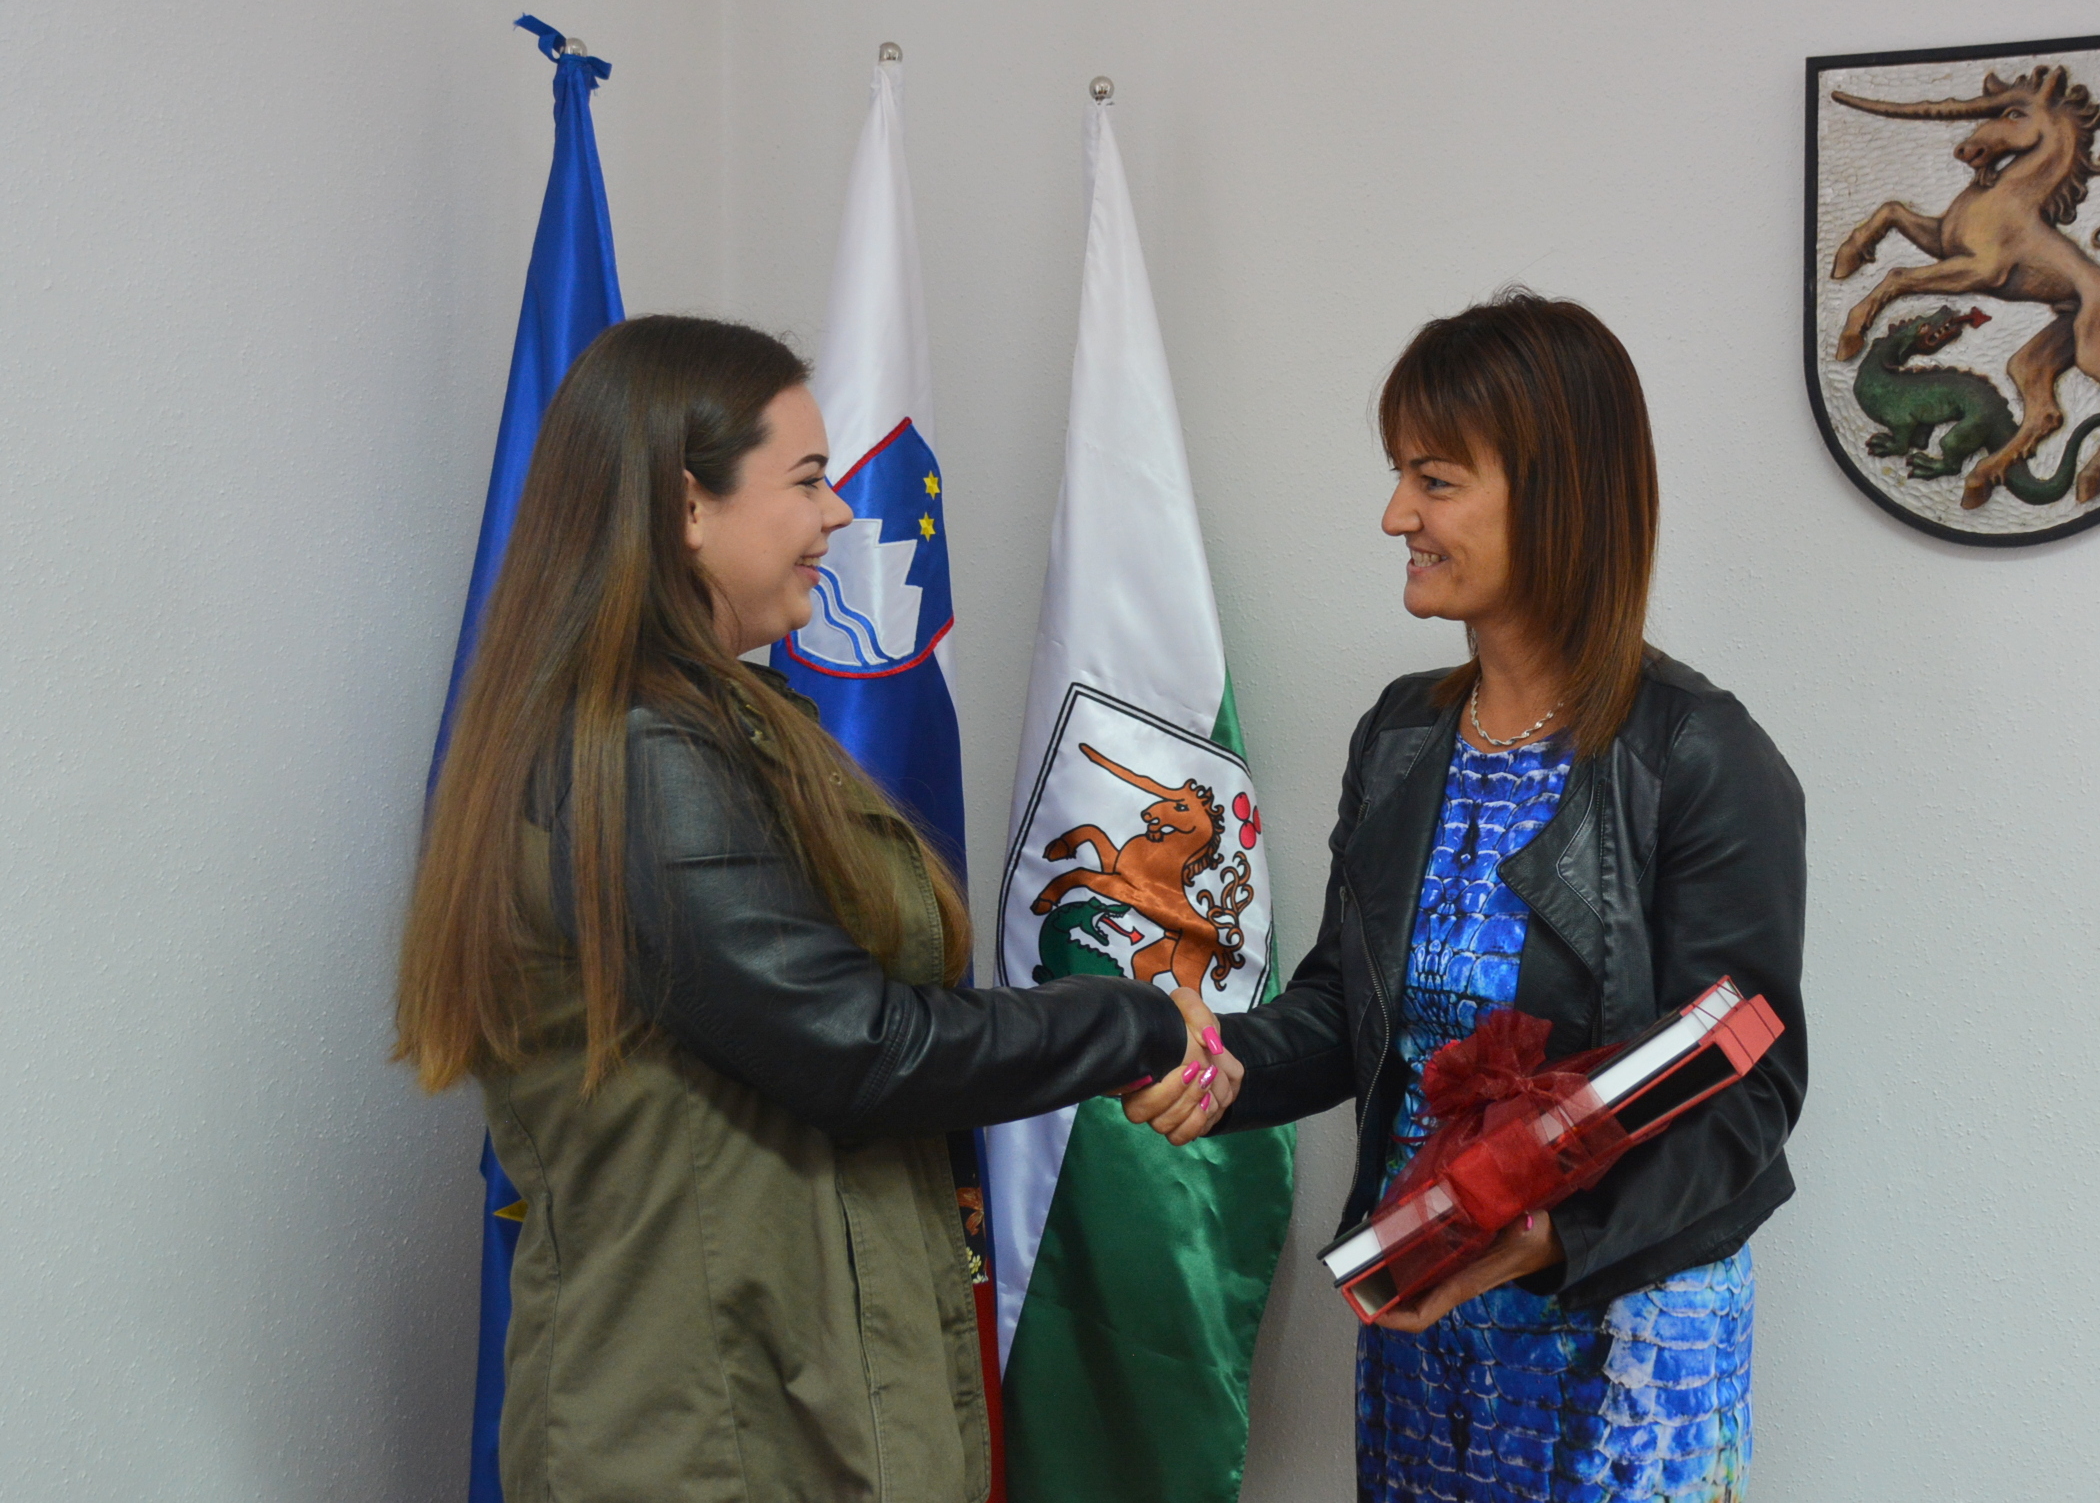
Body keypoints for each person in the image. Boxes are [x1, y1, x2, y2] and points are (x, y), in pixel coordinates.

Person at [392, 315, 1238, 1503]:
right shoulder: (641, 755)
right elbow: (858, 1048)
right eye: (804, 480)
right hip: (703, 1442)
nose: (837, 513)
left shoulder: (716, 723)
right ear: (689, 507)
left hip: (780, 1411)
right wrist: (1132, 1021)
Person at [1208, 290, 1807, 1502]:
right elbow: (1345, 1008)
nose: (1396, 516)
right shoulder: (1399, 735)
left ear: (1557, 493)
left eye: (1433, 480)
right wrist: (1218, 1067)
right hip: (1427, 1306)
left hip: (1621, 1340)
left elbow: (1751, 1086)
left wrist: (1555, 1234)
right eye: (1400, 476)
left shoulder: (1699, 754)